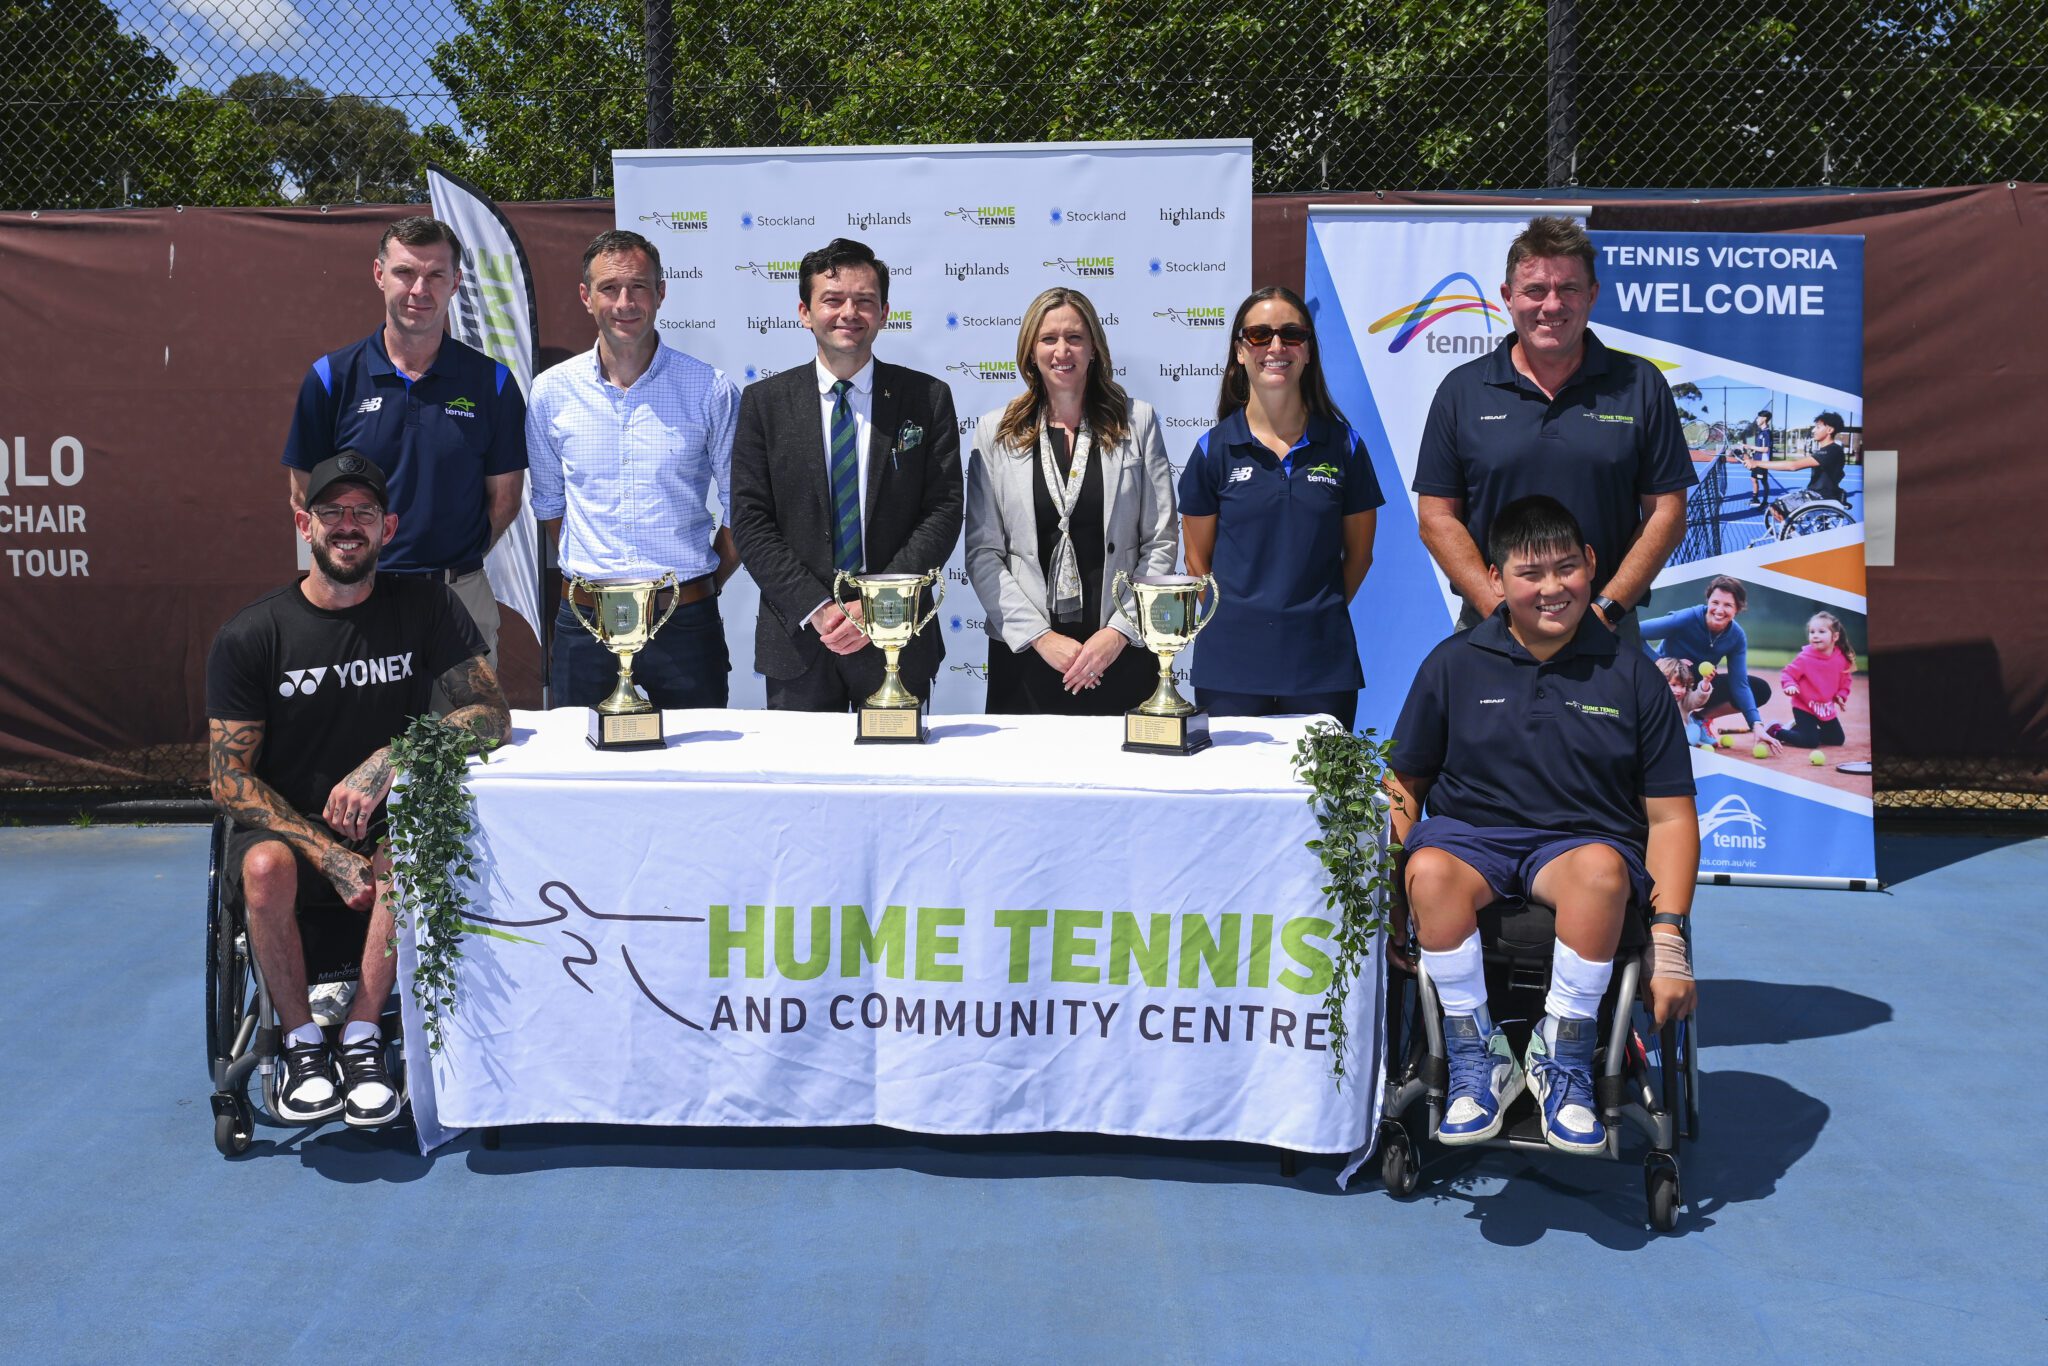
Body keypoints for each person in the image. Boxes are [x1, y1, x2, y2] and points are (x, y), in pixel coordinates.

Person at [1386, 495, 1698, 1154]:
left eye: (1566, 569)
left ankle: (1565, 1053)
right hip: (1473, 842)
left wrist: (1668, 942)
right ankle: (1479, 1056)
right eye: (1530, 574)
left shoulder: (1635, 676)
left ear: (1591, 564)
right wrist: (1390, 899)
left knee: (1601, 871)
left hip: (1580, 847)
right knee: (1430, 868)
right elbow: (1405, 785)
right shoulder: (1452, 663)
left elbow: (1670, 817)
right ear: (1495, 580)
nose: (1552, 588)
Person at [207, 453, 510, 1127]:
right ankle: (301, 1044)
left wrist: (393, 757)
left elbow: (491, 714)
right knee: (261, 866)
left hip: (385, 830)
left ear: (388, 527)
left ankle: (364, 1039)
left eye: (363, 513)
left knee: (410, 851)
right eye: (332, 513)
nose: (348, 526)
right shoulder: (253, 635)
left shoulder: (425, 605)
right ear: (303, 524)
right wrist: (326, 851)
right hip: (287, 834)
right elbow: (228, 778)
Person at [1414, 216, 1695, 645]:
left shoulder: (1640, 384)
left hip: (1608, 630)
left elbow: (1667, 514)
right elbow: (1436, 517)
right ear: (1508, 297)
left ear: (1592, 296)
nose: (1552, 305)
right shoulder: (1462, 390)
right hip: (1491, 628)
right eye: (1535, 290)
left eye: (1568, 289)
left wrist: (1606, 610)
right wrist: (1500, 611)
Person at [281, 216, 527, 674]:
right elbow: (304, 494)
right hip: (357, 596)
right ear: (379, 275)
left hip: (458, 598)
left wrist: (451, 560)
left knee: (472, 739)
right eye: (405, 272)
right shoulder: (331, 377)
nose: (420, 289)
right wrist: (355, 566)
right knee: (358, 743)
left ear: (456, 283)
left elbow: (505, 501)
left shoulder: (491, 382)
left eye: (436, 275)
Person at [729, 238, 963, 711]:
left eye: (864, 301)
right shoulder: (764, 403)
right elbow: (751, 521)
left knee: (899, 783)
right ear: (804, 311)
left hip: (899, 638)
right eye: (832, 300)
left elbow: (943, 510)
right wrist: (819, 609)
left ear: (884, 312)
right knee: (803, 782)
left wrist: (877, 605)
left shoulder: (928, 397)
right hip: (799, 640)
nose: (848, 313)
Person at [528, 229, 741, 710]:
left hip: (685, 621)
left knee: (701, 768)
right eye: (609, 288)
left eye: (639, 287)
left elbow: (740, 511)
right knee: (579, 772)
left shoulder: (710, 389)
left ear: (661, 292)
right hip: (585, 623)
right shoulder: (550, 393)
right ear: (586, 297)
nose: (624, 302)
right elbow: (551, 508)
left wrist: (697, 587)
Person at [1176, 286, 1381, 730]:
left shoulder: (1345, 446)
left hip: (1321, 664)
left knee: (1321, 800)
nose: (1275, 347)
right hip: (1230, 665)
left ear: (1307, 351)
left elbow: (1360, 556)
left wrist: (1312, 615)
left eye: (1291, 334)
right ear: (1239, 352)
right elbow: (1197, 562)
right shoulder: (1213, 451)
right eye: (1259, 335)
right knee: (1232, 796)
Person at [964, 288, 1176, 714]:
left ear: (1094, 347)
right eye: (1049, 339)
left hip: (1118, 652)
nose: (1062, 350)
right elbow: (983, 553)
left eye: (1075, 338)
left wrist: (1117, 633)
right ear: (1030, 350)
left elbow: (1161, 542)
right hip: (1026, 654)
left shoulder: (1138, 422)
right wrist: (1041, 639)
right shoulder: (995, 432)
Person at [1640, 574, 1782, 754]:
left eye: (1728, 605)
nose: (1719, 610)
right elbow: (1635, 631)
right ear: (1708, 601)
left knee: (1759, 689)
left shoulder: (1736, 637)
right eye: (1715, 602)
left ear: (1737, 609)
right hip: (1666, 681)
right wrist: (1661, 662)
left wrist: (1756, 725)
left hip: (1696, 686)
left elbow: (1740, 684)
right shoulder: (1687, 618)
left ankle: (1701, 719)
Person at [1769, 610, 1856, 749]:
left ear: (1835, 636)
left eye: (1821, 631)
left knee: (1837, 739)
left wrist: (1841, 695)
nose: (1815, 635)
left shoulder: (1841, 659)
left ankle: (1798, 731)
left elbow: (1846, 680)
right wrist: (1790, 685)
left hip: (1825, 708)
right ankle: (1776, 731)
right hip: (1804, 707)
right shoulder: (1805, 658)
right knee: (1810, 742)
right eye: (1812, 632)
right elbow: (1788, 673)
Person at [1745, 409, 1849, 503]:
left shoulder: (1831, 450)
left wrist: (1756, 463)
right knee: (1775, 508)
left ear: (1829, 430)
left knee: (1777, 508)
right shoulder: (1829, 450)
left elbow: (1793, 466)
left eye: (1818, 427)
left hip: (1820, 496)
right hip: (1816, 493)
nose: (1813, 430)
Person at [1655, 656, 1715, 747]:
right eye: (1674, 685)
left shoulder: (1683, 700)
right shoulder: (1653, 699)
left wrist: (1705, 683)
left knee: (1694, 728)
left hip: (1680, 738)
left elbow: (1697, 698)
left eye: (1682, 686)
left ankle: (1686, 746)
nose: (1679, 690)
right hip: (1658, 737)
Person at [1740, 408, 1776, 508]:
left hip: (1763, 462)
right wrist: (1750, 452)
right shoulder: (1760, 432)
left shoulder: (1766, 433)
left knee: (1763, 481)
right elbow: (1758, 447)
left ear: (1764, 419)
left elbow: (1765, 449)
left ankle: (1765, 501)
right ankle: (1755, 498)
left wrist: (1750, 447)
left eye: (1758, 418)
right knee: (1753, 479)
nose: (1756, 420)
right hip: (1757, 460)